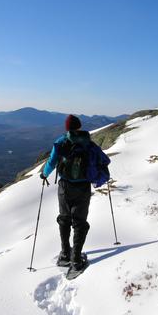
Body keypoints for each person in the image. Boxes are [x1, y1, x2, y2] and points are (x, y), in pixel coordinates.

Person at [40, 114, 108, 271]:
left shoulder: (61, 141)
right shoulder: (89, 144)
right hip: (83, 187)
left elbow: (51, 161)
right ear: (79, 126)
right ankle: (76, 260)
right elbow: (101, 160)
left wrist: (44, 174)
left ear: (67, 128)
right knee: (80, 222)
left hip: (64, 186)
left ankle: (65, 254)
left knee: (64, 219)